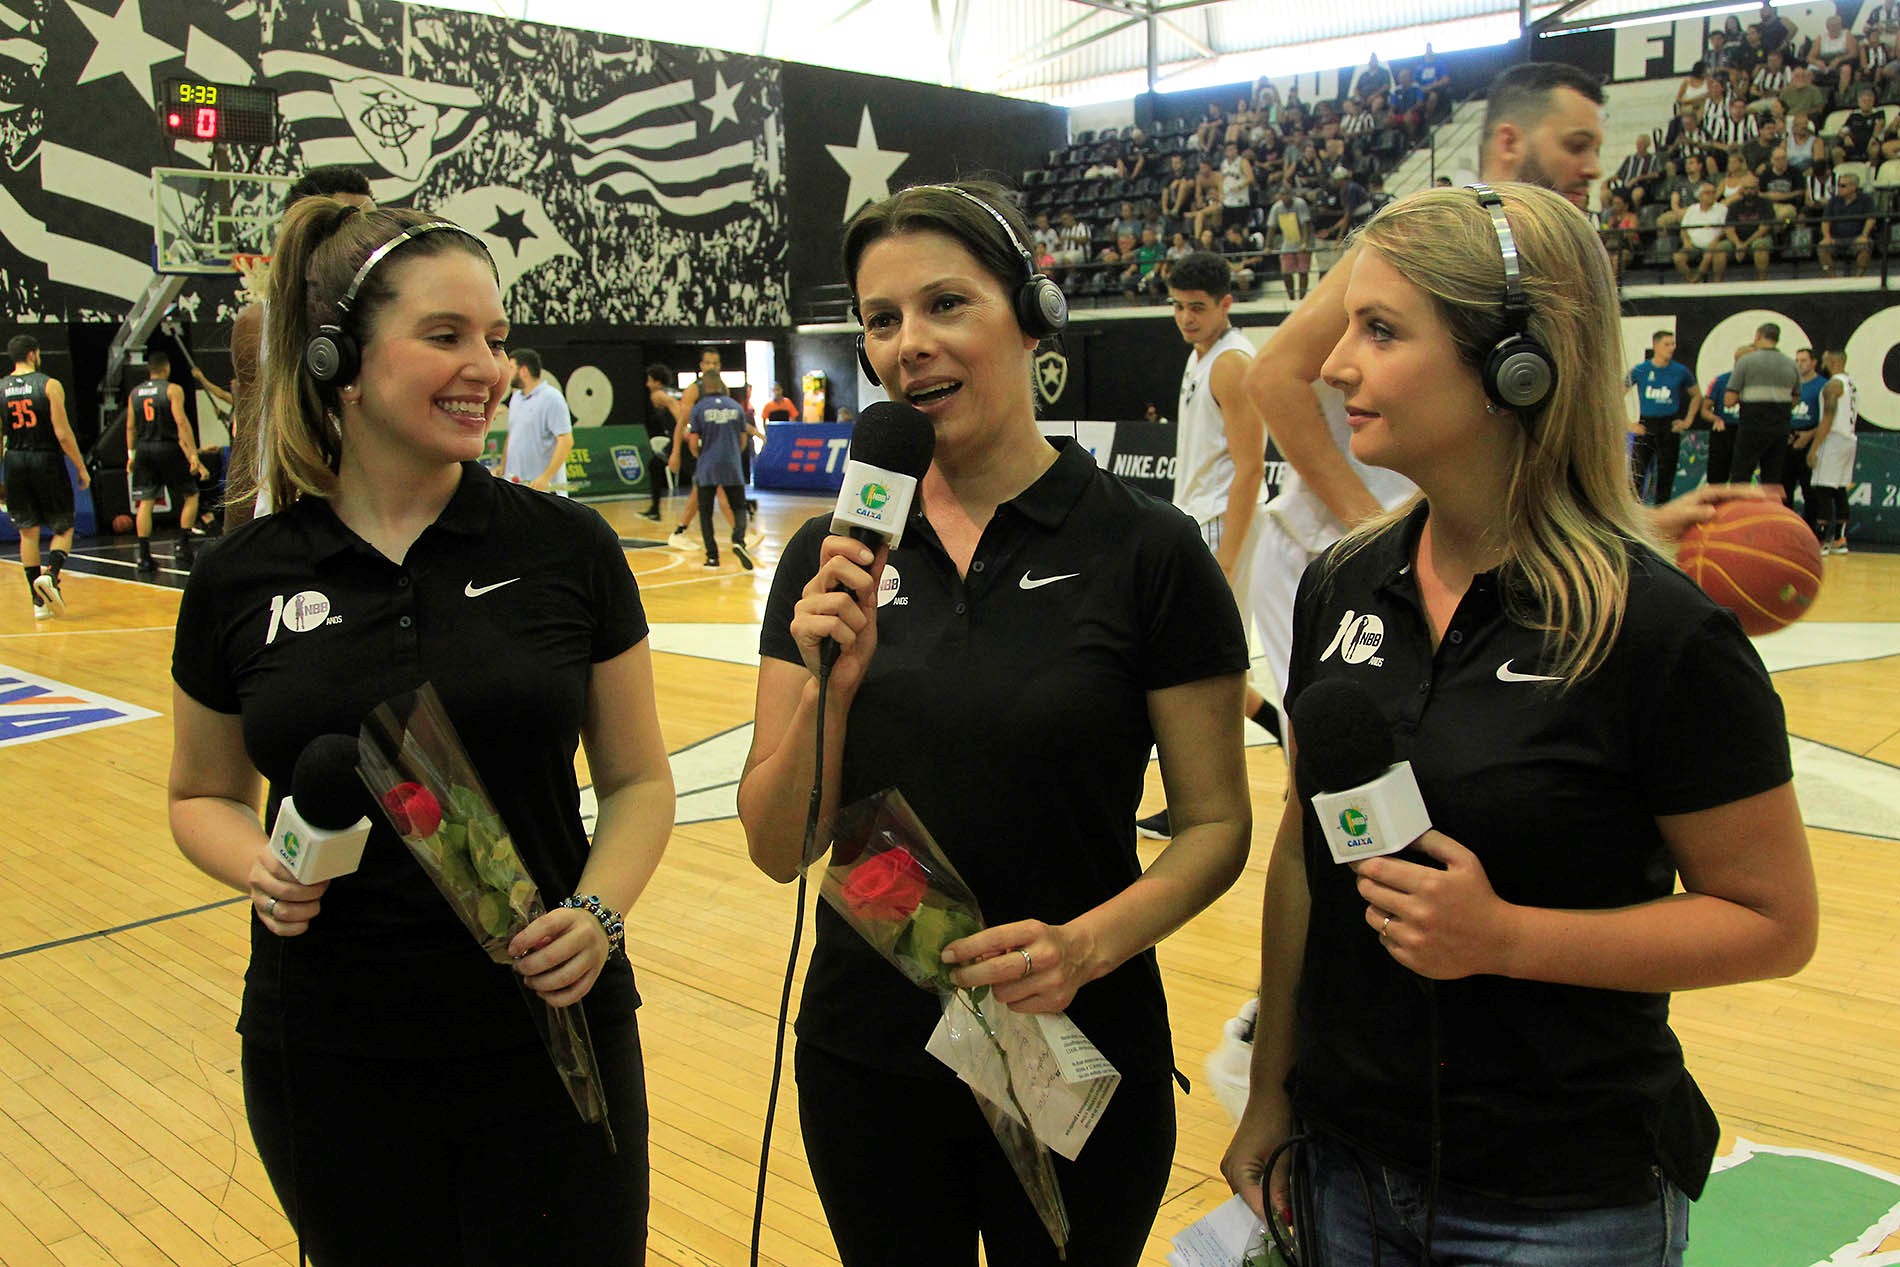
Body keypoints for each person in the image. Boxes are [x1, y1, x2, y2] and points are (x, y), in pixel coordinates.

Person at [1221, 182, 1817, 1267]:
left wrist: (1507, 939)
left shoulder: (1659, 633)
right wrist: (1271, 1093)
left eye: (1381, 329)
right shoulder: (1342, 585)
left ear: (1517, 365)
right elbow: (1306, 856)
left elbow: (1772, 922)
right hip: (1344, 1164)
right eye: (1347, 322)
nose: (1335, 362)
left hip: (1559, 1206)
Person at [738, 181, 1252, 1267]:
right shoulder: (824, 561)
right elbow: (777, 844)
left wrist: (1085, 945)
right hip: (868, 1061)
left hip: (1075, 1050)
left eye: (945, 306)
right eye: (882, 320)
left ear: (1033, 316)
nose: (909, 345)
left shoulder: (1148, 551)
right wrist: (830, 687)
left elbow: (1214, 827)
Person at [166, 201, 673, 1262]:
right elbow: (198, 794)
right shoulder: (239, 578)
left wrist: (597, 910)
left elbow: (636, 782)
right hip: (329, 1047)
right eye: (445, 336)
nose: (486, 367)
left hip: (550, 1035)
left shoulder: (567, 549)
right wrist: (255, 862)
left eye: (493, 338)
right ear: (338, 360)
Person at [1135, 251, 1279, 840]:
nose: (1186, 318)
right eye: (1177, 307)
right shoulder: (1201, 357)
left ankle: (1200, 810)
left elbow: (1251, 468)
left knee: (1198, 673)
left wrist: (1227, 553)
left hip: (1223, 527)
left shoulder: (1232, 364)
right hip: (1199, 523)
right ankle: (1281, 724)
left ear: (1226, 304)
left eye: (1197, 307)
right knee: (1198, 668)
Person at [226, 165, 374, 531]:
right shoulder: (259, 325)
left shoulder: (390, 315)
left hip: (379, 525)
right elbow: (249, 442)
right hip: (290, 529)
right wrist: (231, 547)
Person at [2, 334, 89, 619]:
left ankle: (37, 603)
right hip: (45, 458)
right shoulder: (49, 385)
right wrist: (80, 466)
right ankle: (51, 574)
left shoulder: (0, 388)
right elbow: (63, 434)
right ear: (33, 354)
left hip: (14, 459)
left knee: (27, 531)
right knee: (63, 526)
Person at [126, 349, 206, 574]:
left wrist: (130, 455)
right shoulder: (172, 390)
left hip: (143, 448)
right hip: (167, 446)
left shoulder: (135, 393)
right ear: (166, 367)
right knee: (191, 495)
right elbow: (181, 422)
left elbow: (130, 426)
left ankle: (143, 556)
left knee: (146, 502)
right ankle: (182, 545)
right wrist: (193, 455)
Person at [686, 371, 757, 570]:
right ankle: (738, 541)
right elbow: (743, 440)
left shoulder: (699, 408)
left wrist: (701, 455)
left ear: (703, 387)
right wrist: (733, 453)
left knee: (706, 513)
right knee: (739, 507)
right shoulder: (736, 407)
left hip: (707, 466)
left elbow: (692, 442)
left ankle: (712, 557)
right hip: (732, 465)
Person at [1629, 330, 1701, 505]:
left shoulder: (1680, 371)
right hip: (1646, 424)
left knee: (1666, 473)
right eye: (1666, 344)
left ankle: (1662, 511)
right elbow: (1616, 394)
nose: (1671, 348)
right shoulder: (1641, 370)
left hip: (1669, 426)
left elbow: (1697, 396)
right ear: (1655, 346)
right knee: (1637, 473)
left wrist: (1688, 421)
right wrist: (1628, 424)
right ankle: (1634, 512)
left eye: (1673, 344)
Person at [1725, 321, 1801, 485]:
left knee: (1741, 475)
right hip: (1780, 429)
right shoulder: (1791, 364)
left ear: (1758, 335)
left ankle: (1741, 511)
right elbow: (1795, 399)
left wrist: (1746, 395)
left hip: (1751, 427)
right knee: (1773, 479)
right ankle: (1771, 511)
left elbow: (1729, 400)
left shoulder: (1746, 362)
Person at [498, 348, 572, 493]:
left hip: (543, 490)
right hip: (516, 486)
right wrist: (503, 466)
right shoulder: (516, 397)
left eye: (511, 368)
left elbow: (566, 441)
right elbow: (512, 435)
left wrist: (545, 478)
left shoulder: (552, 398)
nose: (508, 373)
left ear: (524, 371)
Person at [1809, 348, 1858, 553]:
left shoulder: (1833, 385)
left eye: (1825, 359)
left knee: (1823, 489)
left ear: (1835, 361)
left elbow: (1828, 417)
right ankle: (1840, 538)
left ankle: (1821, 541)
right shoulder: (1850, 384)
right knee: (1838, 489)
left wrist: (1814, 447)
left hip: (1834, 439)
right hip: (1849, 438)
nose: (1823, 362)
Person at [1702, 342, 1753, 483]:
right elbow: (1704, 410)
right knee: (1716, 479)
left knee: (1741, 480)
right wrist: (1715, 419)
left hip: (1746, 432)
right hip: (1723, 432)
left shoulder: (1757, 383)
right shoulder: (1720, 381)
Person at [1785, 347, 1826, 523]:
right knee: (1784, 488)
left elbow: (1828, 419)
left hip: (1810, 439)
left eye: (1804, 360)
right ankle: (1785, 528)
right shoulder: (1791, 384)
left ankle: (1811, 529)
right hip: (1789, 439)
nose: (1800, 364)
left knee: (1809, 489)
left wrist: (1810, 435)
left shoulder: (1823, 385)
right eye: (1797, 360)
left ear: (1813, 363)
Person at [1818, 170, 1877, 276]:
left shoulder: (1866, 199)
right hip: (1836, 238)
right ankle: (1833, 279)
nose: (1839, 188)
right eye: (1838, 185)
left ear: (1853, 187)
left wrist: (1864, 235)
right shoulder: (1833, 201)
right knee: (1822, 247)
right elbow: (1826, 221)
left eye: (1843, 186)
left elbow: (1871, 218)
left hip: (1856, 237)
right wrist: (1827, 237)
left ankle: (1858, 278)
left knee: (1865, 245)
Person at [1265, 183, 1315, 300]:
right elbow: (1271, 228)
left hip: (1304, 240)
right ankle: (1291, 298)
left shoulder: (1300, 204)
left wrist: (1305, 243)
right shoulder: (1276, 207)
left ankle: (1302, 298)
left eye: (1287, 194)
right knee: (1286, 272)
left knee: (1303, 271)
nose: (1285, 197)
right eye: (1282, 195)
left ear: (1291, 195)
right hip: (1288, 241)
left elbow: (1305, 225)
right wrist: (1268, 245)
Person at [1672, 181, 1730, 282]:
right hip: (1693, 245)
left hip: (1713, 244)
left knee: (1708, 256)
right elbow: (1684, 229)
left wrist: (1717, 240)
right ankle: (1690, 279)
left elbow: (1726, 230)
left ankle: (1696, 281)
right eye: (1708, 193)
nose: (1711, 195)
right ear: (1700, 196)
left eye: (1713, 192)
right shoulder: (1691, 209)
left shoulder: (1722, 209)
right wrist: (1686, 242)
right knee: (1678, 258)